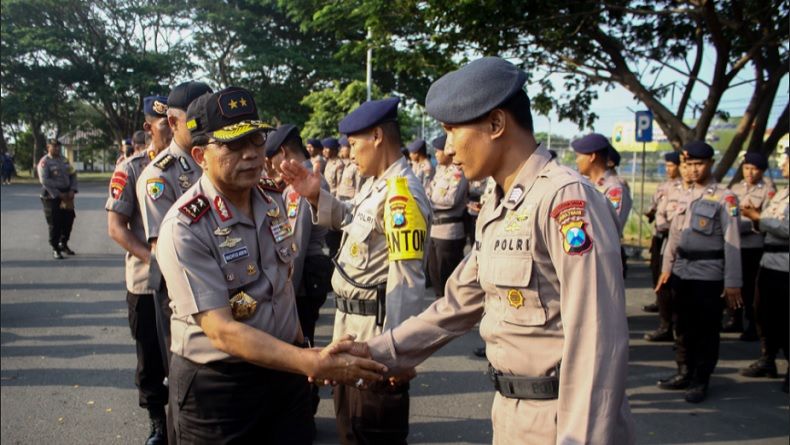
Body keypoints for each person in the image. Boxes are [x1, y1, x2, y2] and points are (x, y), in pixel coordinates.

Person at [329, 56, 635, 444]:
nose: (448, 148)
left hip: (563, 421)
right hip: (511, 411)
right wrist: (372, 352)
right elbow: (455, 305)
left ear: (496, 124)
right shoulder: (498, 202)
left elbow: (597, 343)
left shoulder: (566, 200)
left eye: (452, 130)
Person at [155, 86, 386, 444]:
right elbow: (221, 330)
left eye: (257, 139)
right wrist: (309, 361)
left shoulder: (272, 198)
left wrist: (303, 350)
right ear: (200, 155)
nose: (251, 153)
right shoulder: (185, 226)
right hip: (221, 387)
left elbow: (281, 288)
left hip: (286, 376)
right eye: (233, 145)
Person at [281, 97, 431, 445]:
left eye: (353, 143)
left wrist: (396, 354)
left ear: (377, 136)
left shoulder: (402, 195)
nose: (349, 154)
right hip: (352, 329)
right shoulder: (376, 185)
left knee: (370, 430)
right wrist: (317, 197)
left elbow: (407, 282)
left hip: (375, 338)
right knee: (350, 428)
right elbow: (352, 220)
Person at [105, 95, 172, 445]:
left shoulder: (191, 164)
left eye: (175, 122)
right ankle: (157, 421)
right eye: (164, 125)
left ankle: (183, 421)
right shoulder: (131, 168)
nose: (172, 130)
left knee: (186, 355)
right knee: (150, 358)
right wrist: (155, 259)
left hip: (186, 281)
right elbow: (117, 228)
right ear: (148, 128)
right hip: (148, 281)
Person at [655, 140, 743, 403]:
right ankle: (684, 371)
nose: (693, 169)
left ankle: (700, 379)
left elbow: (732, 242)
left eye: (699, 164)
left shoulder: (725, 198)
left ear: (710, 164)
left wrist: (733, 282)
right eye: (689, 164)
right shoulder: (684, 194)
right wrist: (666, 268)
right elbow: (674, 236)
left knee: (705, 329)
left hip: (708, 274)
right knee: (682, 326)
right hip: (682, 271)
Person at [137, 81, 213, 363]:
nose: (205, 125)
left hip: (221, 278)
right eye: (196, 119)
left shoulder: (213, 160)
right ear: (173, 122)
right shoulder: (159, 176)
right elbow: (163, 247)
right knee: (187, 363)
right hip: (181, 286)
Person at [739, 149, 788, 390]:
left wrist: (758, 217)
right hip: (768, 262)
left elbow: (785, 228)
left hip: (785, 264)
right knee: (764, 312)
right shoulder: (783, 194)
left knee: (785, 317)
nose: (783, 165)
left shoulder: (775, 192)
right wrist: (757, 219)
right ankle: (768, 358)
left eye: (787, 161)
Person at [727, 152, 775, 340]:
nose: (749, 172)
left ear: (761, 171)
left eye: (754, 169)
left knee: (751, 287)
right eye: (746, 168)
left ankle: (753, 324)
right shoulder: (736, 189)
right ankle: (735, 318)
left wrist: (747, 222)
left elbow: (766, 218)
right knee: (734, 283)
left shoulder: (768, 191)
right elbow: (731, 212)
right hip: (735, 244)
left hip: (754, 245)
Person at [572, 134, 633, 277]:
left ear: (592, 157)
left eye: (579, 156)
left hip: (603, 257)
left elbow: (609, 226)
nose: (576, 161)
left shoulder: (614, 188)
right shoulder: (587, 184)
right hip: (586, 255)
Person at [642, 151, 682, 341]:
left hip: (676, 238)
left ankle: (672, 326)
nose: (668, 169)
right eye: (666, 166)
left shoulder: (684, 189)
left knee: (672, 284)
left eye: (671, 165)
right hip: (660, 236)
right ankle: (666, 323)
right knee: (658, 276)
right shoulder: (664, 186)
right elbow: (657, 209)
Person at [426, 134, 468, 298]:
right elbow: (429, 192)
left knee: (447, 278)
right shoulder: (441, 172)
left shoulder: (458, 172)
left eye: (438, 151)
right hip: (434, 230)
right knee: (435, 275)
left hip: (449, 232)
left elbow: (451, 199)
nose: (436, 154)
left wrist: (429, 202)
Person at [38, 138, 78, 259]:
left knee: (68, 220)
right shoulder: (44, 162)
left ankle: (63, 244)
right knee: (55, 223)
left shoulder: (64, 160)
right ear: (48, 147)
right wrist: (58, 194)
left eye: (58, 147)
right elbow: (44, 181)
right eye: (54, 146)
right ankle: (55, 247)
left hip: (67, 194)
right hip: (51, 196)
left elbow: (73, 174)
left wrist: (72, 189)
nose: (56, 149)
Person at [322, 136, 345, 259]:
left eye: (327, 148)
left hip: (333, 201)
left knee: (334, 236)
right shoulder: (328, 162)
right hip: (326, 200)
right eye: (324, 148)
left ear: (334, 150)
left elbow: (339, 186)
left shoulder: (339, 165)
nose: (324, 151)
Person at [336, 135, 360, 202]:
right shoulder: (345, 165)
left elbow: (358, 187)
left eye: (343, 147)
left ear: (350, 147)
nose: (341, 150)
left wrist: (355, 203)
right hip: (341, 198)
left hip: (350, 199)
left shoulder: (355, 166)